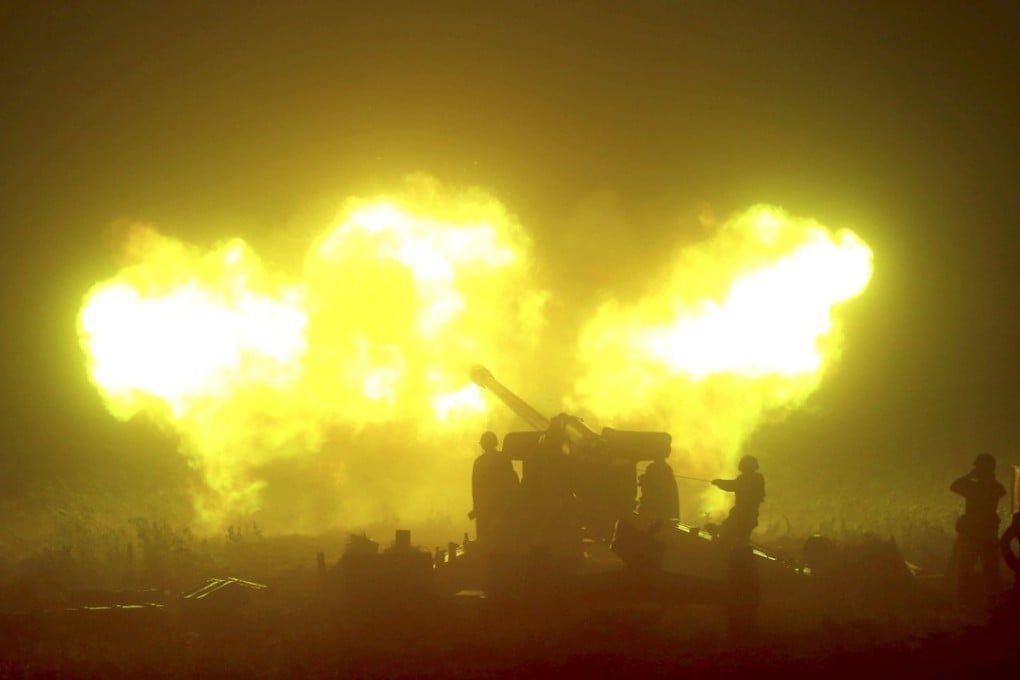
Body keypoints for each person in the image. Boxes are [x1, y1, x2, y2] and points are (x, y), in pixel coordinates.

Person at [950, 452, 1006, 610]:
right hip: (988, 532)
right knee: (991, 568)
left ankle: (963, 601)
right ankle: (993, 600)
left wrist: (970, 476)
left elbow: (955, 485)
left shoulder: (973, 487)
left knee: (966, 567)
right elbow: (1001, 491)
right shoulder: (995, 486)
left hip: (973, 533)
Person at [470, 431, 519, 545]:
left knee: (485, 543)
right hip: (503, 509)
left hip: (485, 510)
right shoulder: (504, 459)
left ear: (482, 445)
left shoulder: (479, 462)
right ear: (495, 443)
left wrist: (477, 507)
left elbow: (475, 489)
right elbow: (511, 482)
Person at [712, 455, 766, 546]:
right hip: (749, 515)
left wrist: (719, 482)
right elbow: (735, 485)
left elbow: (734, 485)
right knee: (741, 539)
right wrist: (720, 482)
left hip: (742, 515)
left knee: (729, 535)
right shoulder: (757, 478)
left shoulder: (748, 478)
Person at [637, 453, 680, 524]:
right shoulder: (666, 468)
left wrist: (644, 481)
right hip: (661, 508)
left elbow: (651, 487)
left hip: (656, 508)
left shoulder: (654, 467)